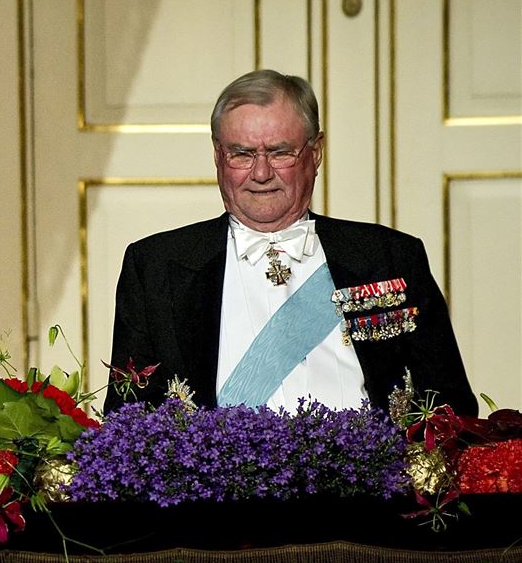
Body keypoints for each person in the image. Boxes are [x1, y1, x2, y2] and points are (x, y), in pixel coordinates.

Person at [105, 70, 477, 416]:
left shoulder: (390, 258)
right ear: (218, 156)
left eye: (280, 152)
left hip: (369, 468)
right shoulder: (155, 267)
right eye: (242, 154)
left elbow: (450, 409)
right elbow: (127, 421)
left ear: (315, 153)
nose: (261, 173)